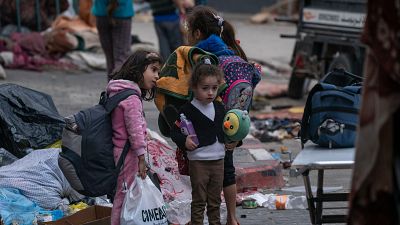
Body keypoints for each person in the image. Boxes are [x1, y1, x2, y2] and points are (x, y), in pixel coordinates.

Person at [185, 6, 255, 225]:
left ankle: (200, 219)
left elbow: (187, 90)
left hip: (211, 122)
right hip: (235, 120)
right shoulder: (232, 52)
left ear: (197, 33)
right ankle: (232, 218)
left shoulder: (200, 55)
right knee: (229, 168)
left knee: (205, 182)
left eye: (189, 30)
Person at [170, 61, 237, 225]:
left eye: (214, 88)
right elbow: (175, 132)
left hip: (219, 161)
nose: (210, 93)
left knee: (215, 201)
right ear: (194, 87)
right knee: (199, 200)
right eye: (205, 88)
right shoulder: (187, 110)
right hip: (199, 162)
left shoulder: (220, 108)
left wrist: (234, 141)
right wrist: (184, 141)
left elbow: (229, 129)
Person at [106, 50, 162, 225]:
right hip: (127, 155)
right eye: (153, 70)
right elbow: (135, 130)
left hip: (118, 151)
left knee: (122, 194)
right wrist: (141, 157)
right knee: (123, 197)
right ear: (139, 69)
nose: (157, 76)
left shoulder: (117, 89)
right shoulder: (131, 98)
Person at [92, 0, 134, 80]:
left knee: (110, 57)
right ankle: (119, 88)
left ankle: (112, 87)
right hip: (122, 13)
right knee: (121, 57)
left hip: (101, 13)